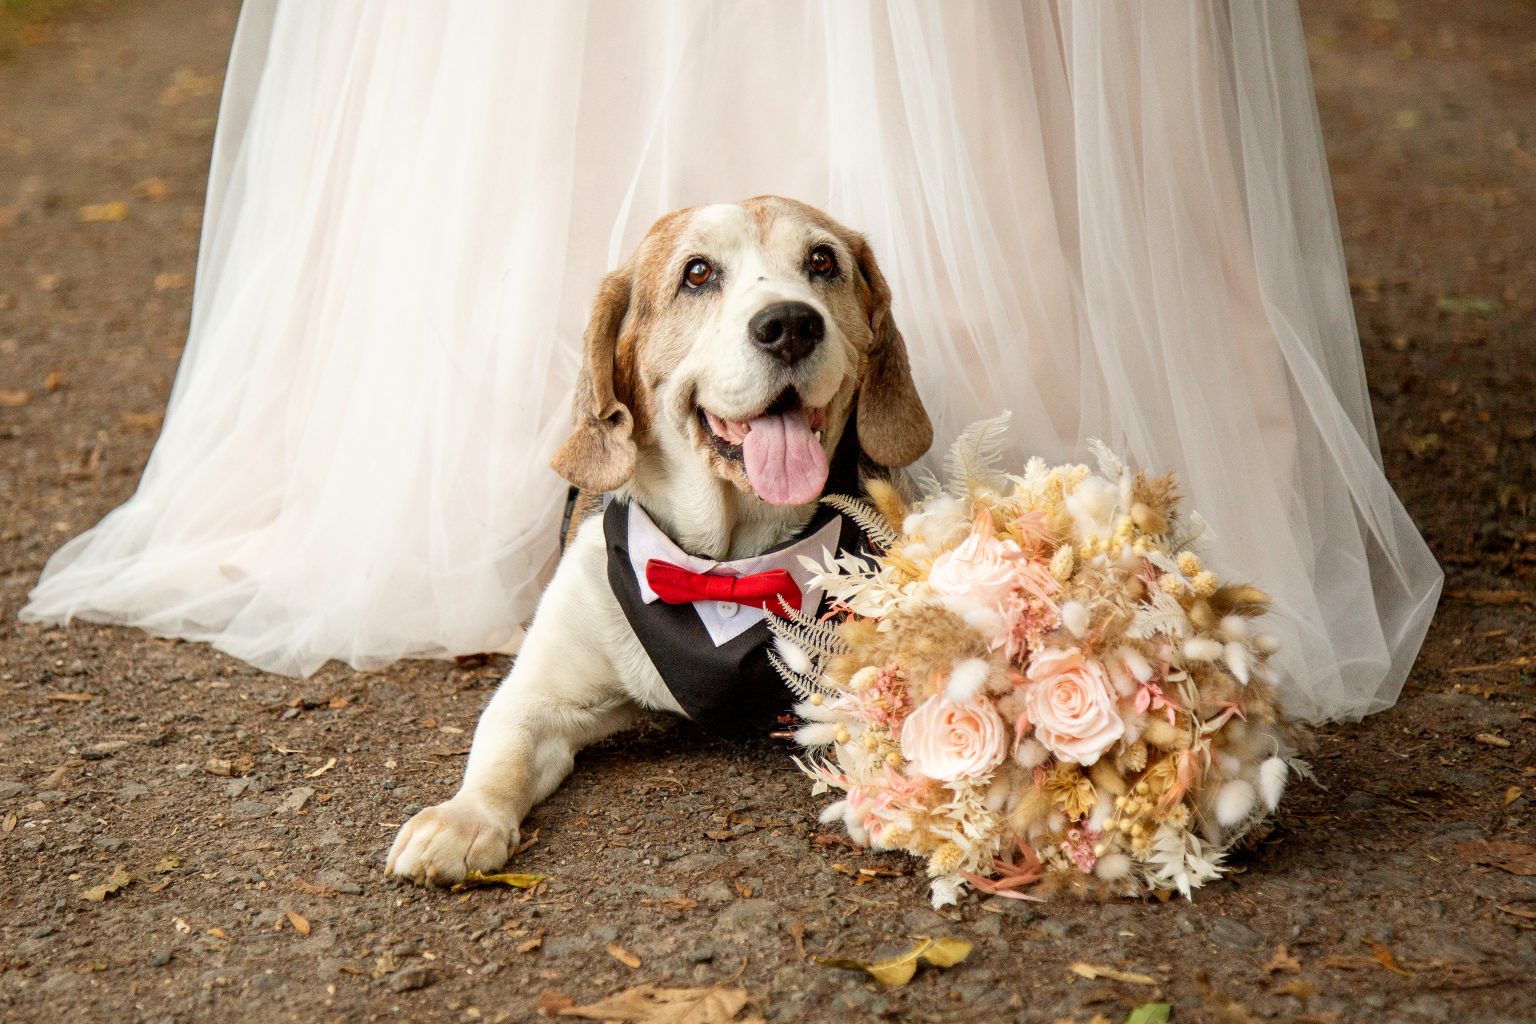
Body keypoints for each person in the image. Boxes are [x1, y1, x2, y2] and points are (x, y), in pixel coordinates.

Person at [21, 1, 1442, 723]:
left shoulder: (866, 345)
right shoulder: (612, 347)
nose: (784, 303)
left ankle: (1019, 552)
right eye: (695, 282)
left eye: (822, 277)